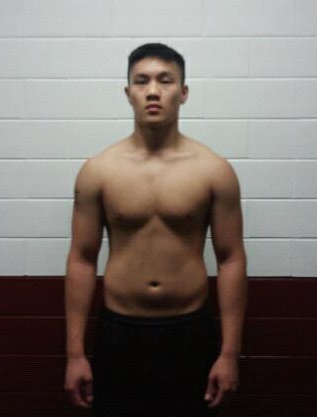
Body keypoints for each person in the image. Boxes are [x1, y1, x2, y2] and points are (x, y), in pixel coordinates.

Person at [63, 42, 248, 416]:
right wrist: (75, 354)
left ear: (184, 92)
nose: (152, 91)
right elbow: (82, 259)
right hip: (120, 333)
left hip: (189, 332)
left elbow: (231, 260)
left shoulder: (214, 171)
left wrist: (229, 354)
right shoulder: (98, 171)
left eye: (165, 80)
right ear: (128, 93)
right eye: (141, 81)